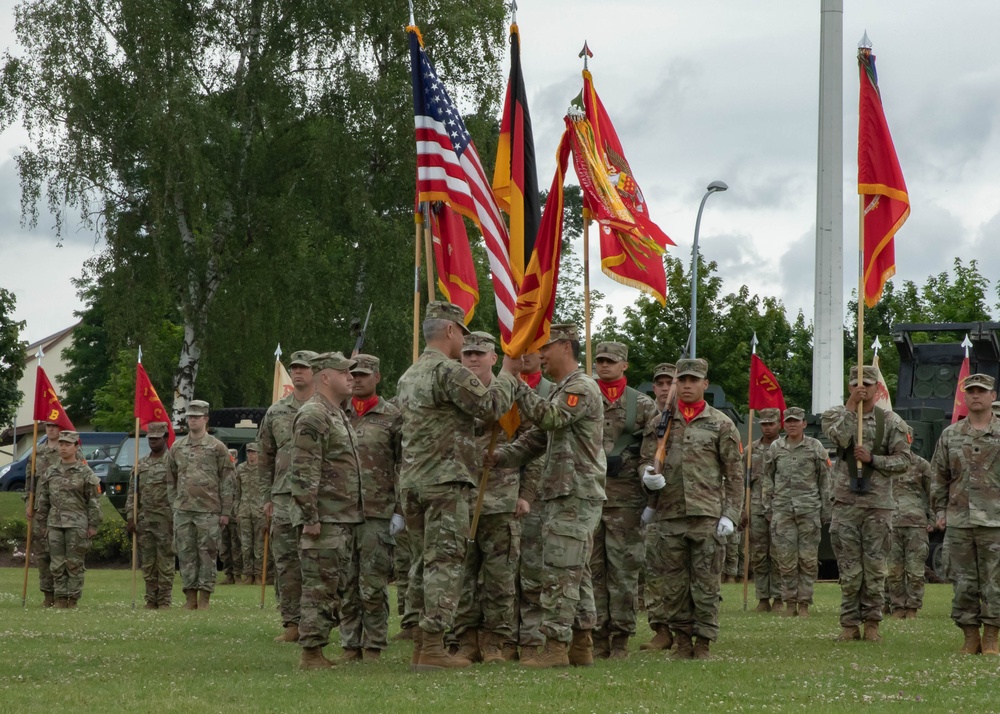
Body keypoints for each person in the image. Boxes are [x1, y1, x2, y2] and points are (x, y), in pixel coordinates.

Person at [396, 301, 517, 671]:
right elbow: (492, 406)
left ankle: (420, 643)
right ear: (450, 331)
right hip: (445, 481)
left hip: (413, 482)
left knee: (420, 563)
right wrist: (509, 372)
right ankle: (433, 646)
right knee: (445, 564)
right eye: (462, 334)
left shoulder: (408, 375)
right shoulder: (447, 371)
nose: (463, 343)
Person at [493, 324, 606, 669]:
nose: (539, 354)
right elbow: (538, 440)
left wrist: (513, 382)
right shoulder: (563, 389)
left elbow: (552, 419)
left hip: (576, 493)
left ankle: (556, 646)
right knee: (576, 571)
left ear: (565, 348)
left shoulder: (581, 387)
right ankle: (581, 645)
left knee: (560, 571)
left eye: (545, 347)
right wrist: (501, 456)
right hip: (564, 491)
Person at [639, 357, 743, 660]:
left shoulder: (721, 424)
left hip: (707, 516)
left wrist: (730, 515)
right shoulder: (660, 425)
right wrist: (648, 479)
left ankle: (704, 642)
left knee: (706, 584)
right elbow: (645, 463)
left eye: (692, 380)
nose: (686, 385)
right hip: (670, 514)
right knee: (673, 585)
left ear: (704, 385)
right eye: (680, 380)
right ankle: (682, 641)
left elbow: (735, 475)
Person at [452, 332, 527, 664]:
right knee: (462, 576)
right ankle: (466, 639)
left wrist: (527, 495)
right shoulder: (455, 393)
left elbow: (533, 450)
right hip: (460, 498)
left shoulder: (510, 394)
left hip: (501, 499)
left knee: (499, 577)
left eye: (479, 354)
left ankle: (496, 640)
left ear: (494, 358)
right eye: (467, 353)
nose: (472, 359)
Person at [822, 365, 911, 642]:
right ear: (849, 387)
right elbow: (839, 438)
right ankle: (849, 624)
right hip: (846, 503)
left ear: (877, 388)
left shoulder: (892, 422)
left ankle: (872, 623)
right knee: (849, 569)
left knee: (874, 569)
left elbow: (904, 461)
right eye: (856, 384)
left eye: (868, 385)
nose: (862, 389)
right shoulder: (835, 415)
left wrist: (874, 459)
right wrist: (851, 408)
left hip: (877, 504)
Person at [289, 351, 365, 670]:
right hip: (323, 519)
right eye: (344, 371)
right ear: (324, 377)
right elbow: (304, 470)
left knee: (330, 588)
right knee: (319, 589)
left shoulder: (336, 412)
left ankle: (317, 650)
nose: (351, 376)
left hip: (340, 517)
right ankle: (311, 654)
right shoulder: (314, 414)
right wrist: (310, 517)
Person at [591, 341, 658, 659]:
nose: (604, 366)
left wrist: (648, 475)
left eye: (610, 361)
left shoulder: (642, 405)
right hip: (588, 498)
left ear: (624, 365)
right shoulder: (584, 396)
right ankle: (595, 635)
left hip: (626, 502)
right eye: (600, 360)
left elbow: (652, 451)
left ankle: (620, 638)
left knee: (624, 573)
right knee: (592, 572)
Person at [338, 353, 403, 663]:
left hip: (378, 512)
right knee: (346, 582)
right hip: (341, 511)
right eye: (353, 374)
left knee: (373, 583)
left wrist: (400, 510)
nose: (358, 379)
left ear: (377, 377)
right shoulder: (337, 413)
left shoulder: (393, 416)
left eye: (364, 374)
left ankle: (374, 644)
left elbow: (405, 463)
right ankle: (350, 643)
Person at [930, 373, 1000, 655]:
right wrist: (938, 510)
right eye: (970, 391)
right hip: (959, 520)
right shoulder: (951, 435)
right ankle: (970, 636)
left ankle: (993, 637)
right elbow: (939, 476)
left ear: (992, 397)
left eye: (981, 391)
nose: (975, 395)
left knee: (996, 581)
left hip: (995, 520)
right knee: (962, 583)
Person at [257, 350, 319, 642]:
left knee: (318, 561)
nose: (297, 373)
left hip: (320, 496)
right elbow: (265, 457)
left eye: (304, 368)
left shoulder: (328, 408)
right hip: (283, 496)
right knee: (286, 563)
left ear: (316, 373)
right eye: (294, 368)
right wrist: (266, 497)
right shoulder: (276, 411)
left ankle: (317, 622)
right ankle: (292, 623)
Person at [761, 407, 831, 617]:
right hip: (782, 510)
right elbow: (767, 478)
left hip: (809, 510)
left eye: (796, 421)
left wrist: (826, 510)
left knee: (808, 560)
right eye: (788, 421)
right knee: (785, 559)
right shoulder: (776, 447)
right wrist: (768, 507)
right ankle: (789, 602)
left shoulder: (815, 447)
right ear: (784, 424)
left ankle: (804, 604)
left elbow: (825, 480)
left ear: (804, 424)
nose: (792, 424)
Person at [168, 399, 235, 610]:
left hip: (209, 510)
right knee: (186, 554)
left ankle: (205, 598)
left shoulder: (217, 447)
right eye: (189, 417)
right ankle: (190, 598)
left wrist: (225, 511)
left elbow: (227, 480)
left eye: (196, 417)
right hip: (183, 510)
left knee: (207, 555)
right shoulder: (177, 447)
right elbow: (171, 478)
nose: (192, 420)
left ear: (205, 419)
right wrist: (174, 505)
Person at [34, 430, 102, 608]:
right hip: (54, 523)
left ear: (76, 447)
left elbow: (93, 501)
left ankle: (72, 599)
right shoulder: (51, 472)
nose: (63, 448)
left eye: (67, 444)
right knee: (56, 564)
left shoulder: (85, 472)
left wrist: (93, 525)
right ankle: (60, 598)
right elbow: (43, 499)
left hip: (77, 524)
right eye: (61, 444)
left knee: (74, 563)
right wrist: (41, 523)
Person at [125, 422, 176, 608]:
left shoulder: (173, 463)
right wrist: (131, 516)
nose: (153, 442)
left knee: (166, 562)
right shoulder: (141, 464)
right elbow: (133, 492)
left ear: (165, 438)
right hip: (144, 521)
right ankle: (151, 599)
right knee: (148, 563)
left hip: (166, 520)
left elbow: (180, 492)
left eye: (157, 438)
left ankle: (164, 600)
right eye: (150, 439)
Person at [745, 408, 783, 613]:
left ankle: (778, 597)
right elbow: (742, 481)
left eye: (772, 423)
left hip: (780, 507)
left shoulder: (785, 448)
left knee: (777, 554)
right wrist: (743, 509)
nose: (768, 427)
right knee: (759, 554)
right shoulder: (750, 450)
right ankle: (762, 598)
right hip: (757, 507)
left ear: (779, 424)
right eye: (764, 424)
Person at [887, 448, 932, 619]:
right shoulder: (886, 464)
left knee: (915, 570)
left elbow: (932, 493)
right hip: (891, 524)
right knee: (893, 570)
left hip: (916, 525)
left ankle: (912, 607)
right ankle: (897, 607)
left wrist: (933, 519)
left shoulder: (921, 465)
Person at [24, 420, 63, 607]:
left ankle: (62, 595)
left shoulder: (67, 450)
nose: (51, 429)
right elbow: (29, 481)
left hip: (61, 509)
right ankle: (48, 595)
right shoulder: (36, 452)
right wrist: (28, 503)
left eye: (55, 426)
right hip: (40, 509)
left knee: (59, 552)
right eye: (48, 426)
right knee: (42, 554)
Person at [235, 442, 265, 584]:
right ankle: (248, 574)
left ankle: (259, 574)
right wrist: (237, 510)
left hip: (260, 511)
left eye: (253, 452)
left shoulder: (263, 469)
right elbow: (237, 492)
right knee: (246, 545)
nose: (251, 455)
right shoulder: (240, 469)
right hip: (245, 510)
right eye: (249, 452)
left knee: (259, 545)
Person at [219, 449, 243, 584]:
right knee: (224, 546)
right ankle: (228, 574)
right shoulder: (220, 474)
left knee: (236, 546)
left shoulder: (239, 474)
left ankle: (238, 574)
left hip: (235, 514)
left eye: (232, 458)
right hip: (222, 514)